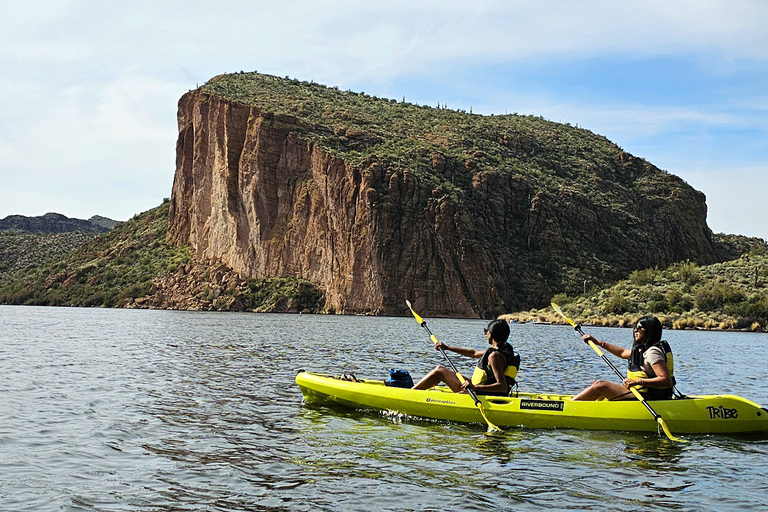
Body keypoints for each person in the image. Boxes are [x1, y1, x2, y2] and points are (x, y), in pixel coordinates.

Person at [571, 315, 674, 401]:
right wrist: (598, 343)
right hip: (639, 394)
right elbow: (622, 352)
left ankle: (568, 407)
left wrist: (637, 381)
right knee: (600, 386)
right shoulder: (642, 350)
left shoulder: (653, 352)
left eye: (640, 328)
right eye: (635, 327)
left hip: (647, 398)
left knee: (600, 385)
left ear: (650, 331)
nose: (635, 330)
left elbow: (666, 381)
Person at [412, 319, 520, 396]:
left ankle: (408, 394)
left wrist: (474, 387)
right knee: (441, 371)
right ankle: (413, 392)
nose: (486, 334)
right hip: (479, 390)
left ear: (491, 334)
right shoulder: (503, 351)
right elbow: (473, 353)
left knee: (439, 371)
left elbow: (502, 386)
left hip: (477, 394)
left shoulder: (495, 357)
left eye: (486, 332)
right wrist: (447, 348)